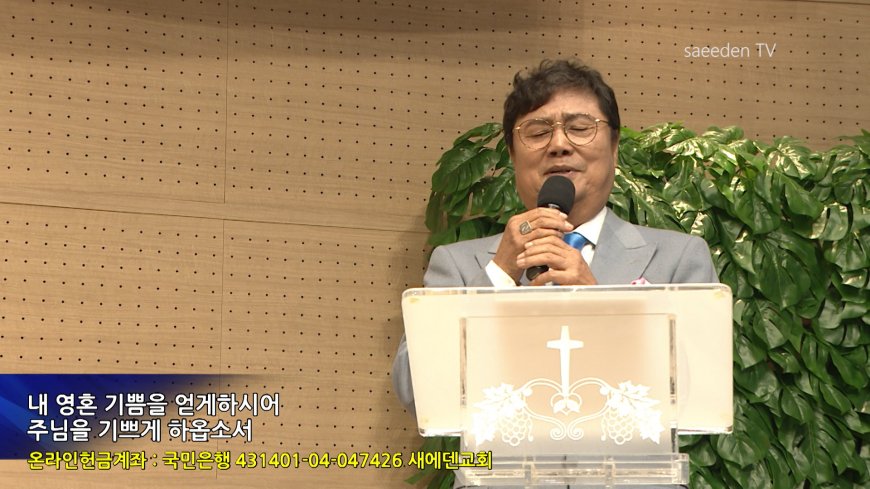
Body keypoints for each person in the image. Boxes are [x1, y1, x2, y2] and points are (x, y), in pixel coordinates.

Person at [392, 58, 716, 488]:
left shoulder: (678, 258)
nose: (559, 144)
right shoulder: (458, 265)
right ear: (512, 155)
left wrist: (599, 305)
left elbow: (700, 392)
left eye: (580, 127)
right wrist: (500, 276)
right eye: (538, 131)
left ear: (614, 148)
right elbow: (414, 391)